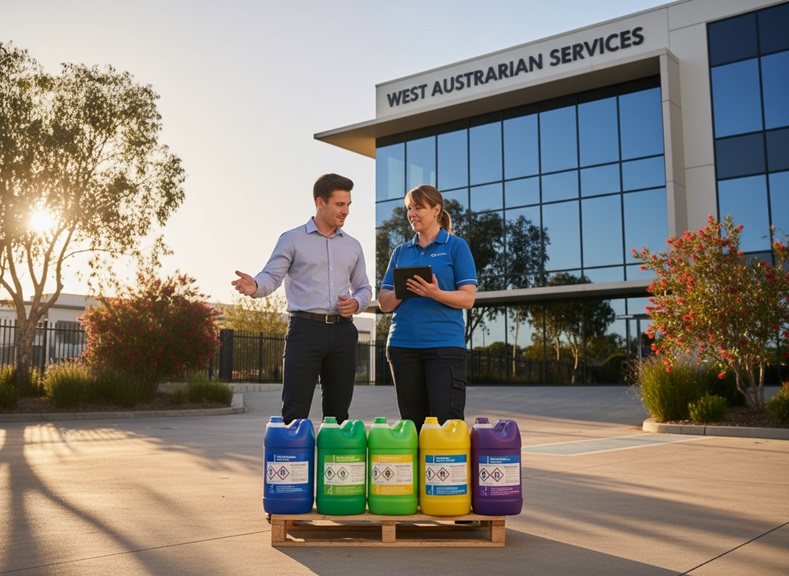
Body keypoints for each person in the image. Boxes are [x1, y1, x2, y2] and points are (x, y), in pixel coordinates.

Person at [232, 173, 372, 425]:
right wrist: (254, 286)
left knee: (338, 417)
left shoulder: (353, 246)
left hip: (343, 333)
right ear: (320, 203)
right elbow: (271, 277)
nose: (346, 211)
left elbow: (363, 288)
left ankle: (334, 465)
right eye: (340, 204)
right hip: (305, 331)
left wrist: (357, 303)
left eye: (349, 205)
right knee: (294, 414)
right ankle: (295, 465)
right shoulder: (292, 239)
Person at [377, 184, 477, 432]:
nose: (412, 213)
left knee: (447, 424)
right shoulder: (400, 252)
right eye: (409, 208)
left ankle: (447, 473)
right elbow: (384, 302)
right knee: (411, 425)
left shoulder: (456, 246)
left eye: (418, 207)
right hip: (403, 347)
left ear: (436, 210)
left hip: (444, 348)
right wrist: (406, 289)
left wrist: (435, 293)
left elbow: (468, 299)